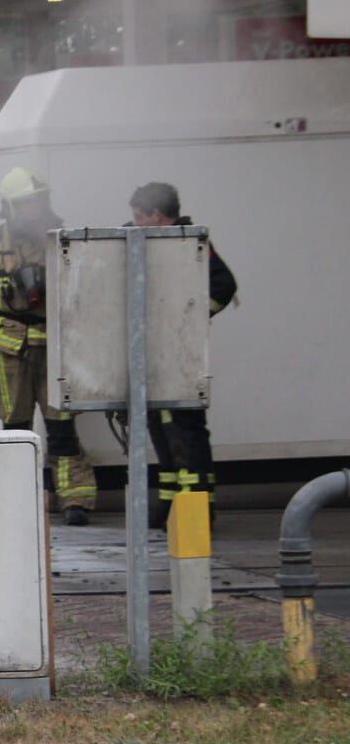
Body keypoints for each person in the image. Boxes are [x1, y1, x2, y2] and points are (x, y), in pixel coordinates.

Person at [0, 167, 97, 525]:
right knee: (15, 429)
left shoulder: (61, 239)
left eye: (38, 201)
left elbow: (85, 295)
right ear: (11, 207)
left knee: (62, 427)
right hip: (9, 352)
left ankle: (75, 500)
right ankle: (17, 497)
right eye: (26, 204)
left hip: (56, 349)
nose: (33, 209)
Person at [129, 181, 238, 528]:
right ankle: (170, 505)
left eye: (138, 217)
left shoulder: (189, 241)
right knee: (160, 427)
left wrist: (188, 317)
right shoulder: (153, 243)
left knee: (186, 428)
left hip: (181, 352)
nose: (134, 224)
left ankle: (198, 509)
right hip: (157, 353)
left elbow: (223, 285)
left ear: (157, 216)